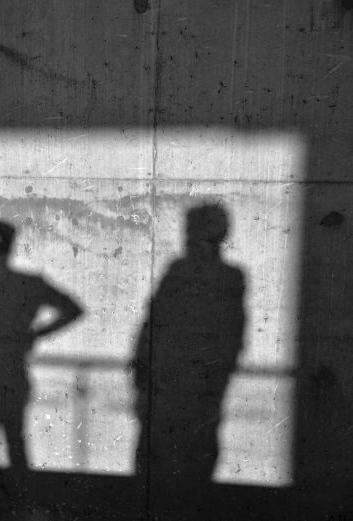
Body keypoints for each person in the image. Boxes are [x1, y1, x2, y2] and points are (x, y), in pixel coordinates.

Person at [131, 203, 245, 514]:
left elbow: (151, 326)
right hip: (194, 390)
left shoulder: (184, 272)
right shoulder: (227, 277)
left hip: (172, 388)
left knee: (161, 464)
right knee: (192, 464)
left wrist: (142, 376)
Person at [0, 220, 83, 471]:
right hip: (12, 371)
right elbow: (73, 309)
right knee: (15, 443)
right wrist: (36, 334)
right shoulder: (28, 285)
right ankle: (19, 503)